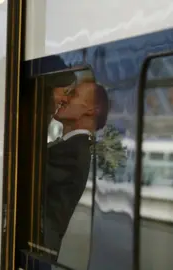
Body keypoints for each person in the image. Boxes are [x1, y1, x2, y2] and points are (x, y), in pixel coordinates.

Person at [43, 78, 109, 259]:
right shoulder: (70, 146)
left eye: (72, 94)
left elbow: (21, 174)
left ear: (91, 110)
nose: (64, 99)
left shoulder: (72, 152)